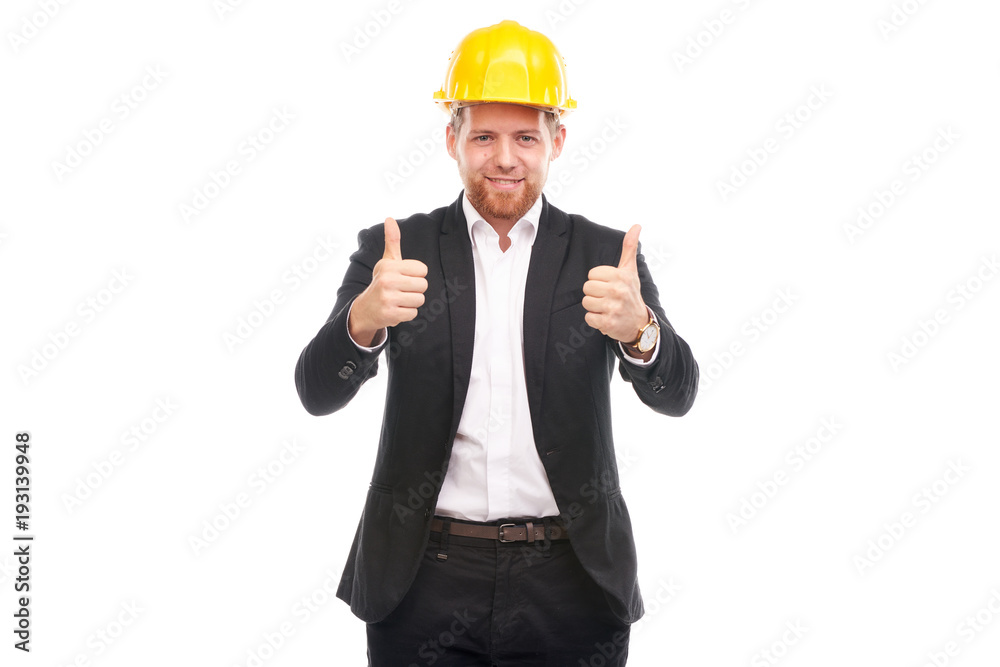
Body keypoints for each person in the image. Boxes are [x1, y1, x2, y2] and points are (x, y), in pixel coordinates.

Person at [294, 20, 698, 666]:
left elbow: (680, 392)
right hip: (424, 581)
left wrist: (641, 332)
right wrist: (362, 320)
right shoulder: (395, 251)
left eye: (524, 138)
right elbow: (314, 390)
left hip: (572, 584)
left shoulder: (605, 256)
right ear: (451, 137)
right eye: (483, 135)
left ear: (556, 140)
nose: (504, 158)